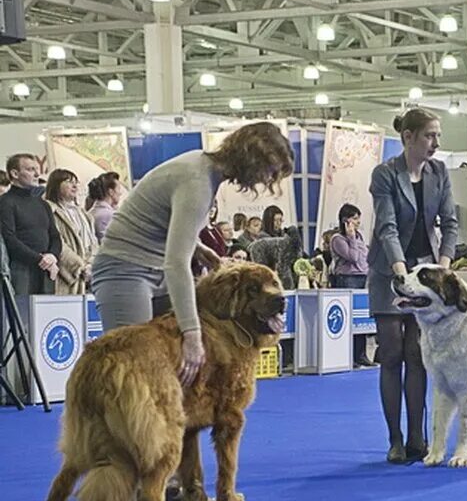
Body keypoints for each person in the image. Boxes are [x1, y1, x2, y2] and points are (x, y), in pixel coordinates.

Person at [90, 122, 292, 387]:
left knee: (168, 372)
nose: (267, 180)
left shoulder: (202, 169)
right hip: (123, 272)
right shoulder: (198, 182)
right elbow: (176, 264)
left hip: (154, 268)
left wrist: (198, 247)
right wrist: (192, 335)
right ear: (251, 158)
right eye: (269, 171)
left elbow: (159, 221)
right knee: (134, 375)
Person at [368, 108, 459, 465]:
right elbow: (386, 228)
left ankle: (418, 437)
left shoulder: (440, 173)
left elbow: (450, 224)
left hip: (427, 272)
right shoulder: (385, 174)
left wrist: (443, 268)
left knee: (417, 356)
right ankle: (395, 440)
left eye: (437, 136)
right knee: (390, 355)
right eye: (430, 136)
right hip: (389, 272)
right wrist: (402, 274)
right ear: (408, 137)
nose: (436, 142)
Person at [0, 154, 61, 295]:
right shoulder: (6, 202)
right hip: (20, 269)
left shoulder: (43, 204)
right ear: (15, 173)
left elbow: (55, 235)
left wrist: (52, 256)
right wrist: (40, 259)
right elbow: (9, 238)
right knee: (23, 313)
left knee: (47, 315)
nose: (37, 174)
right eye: (30, 169)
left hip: (46, 268)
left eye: (37, 169)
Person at [330, 203, 373, 368]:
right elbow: (353, 257)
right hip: (347, 279)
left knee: (360, 319)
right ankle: (348, 355)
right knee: (348, 319)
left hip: (362, 278)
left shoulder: (360, 236)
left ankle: (361, 354)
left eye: (358, 218)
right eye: (355, 219)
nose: (358, 222)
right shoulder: (338, 239)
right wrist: (351, 237)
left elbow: (364, 257)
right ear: (345, 220)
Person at [44, 169, 99, 295]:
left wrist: (91, 265)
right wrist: (79, 266)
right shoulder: (49, 210)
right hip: (66, 275)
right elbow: (58, 243)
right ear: (56, 185)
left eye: (76, 182)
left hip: (88, 275)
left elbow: (94, 243)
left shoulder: (84, 214)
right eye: (69, 182)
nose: (74, 186)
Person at [86, 171, 124, 243]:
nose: (120, 193)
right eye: (118, 189)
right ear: (111, 192)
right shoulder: (109, 215)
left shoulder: (92, 211)